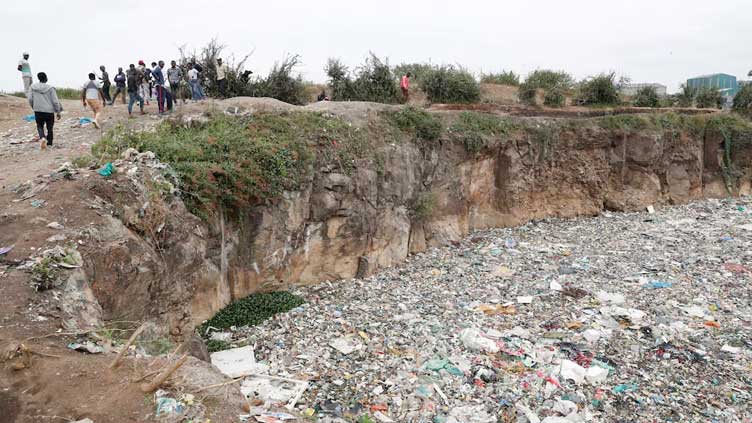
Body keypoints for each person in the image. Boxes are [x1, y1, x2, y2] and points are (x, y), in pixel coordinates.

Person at [27, 72, 62, 150]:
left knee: (39, 125)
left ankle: (42, 138)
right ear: (46, 78)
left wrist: (34, 106)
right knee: (50, 127)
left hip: (38, 110)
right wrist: (58, 111)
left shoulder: (33, 87)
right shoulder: (51, 88)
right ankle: (49, 142)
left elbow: (30, 99)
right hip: (49, 111)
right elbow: (55, 101)